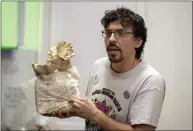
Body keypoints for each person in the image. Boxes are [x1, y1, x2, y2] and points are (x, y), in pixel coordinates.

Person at [59, 7, 166, 131]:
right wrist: (76, 111)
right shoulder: (98, 65)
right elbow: (98, 114)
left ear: (138, 42)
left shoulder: (150, 80)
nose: (111, 39)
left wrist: (94, 114)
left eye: (121, 33)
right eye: (108, 33)